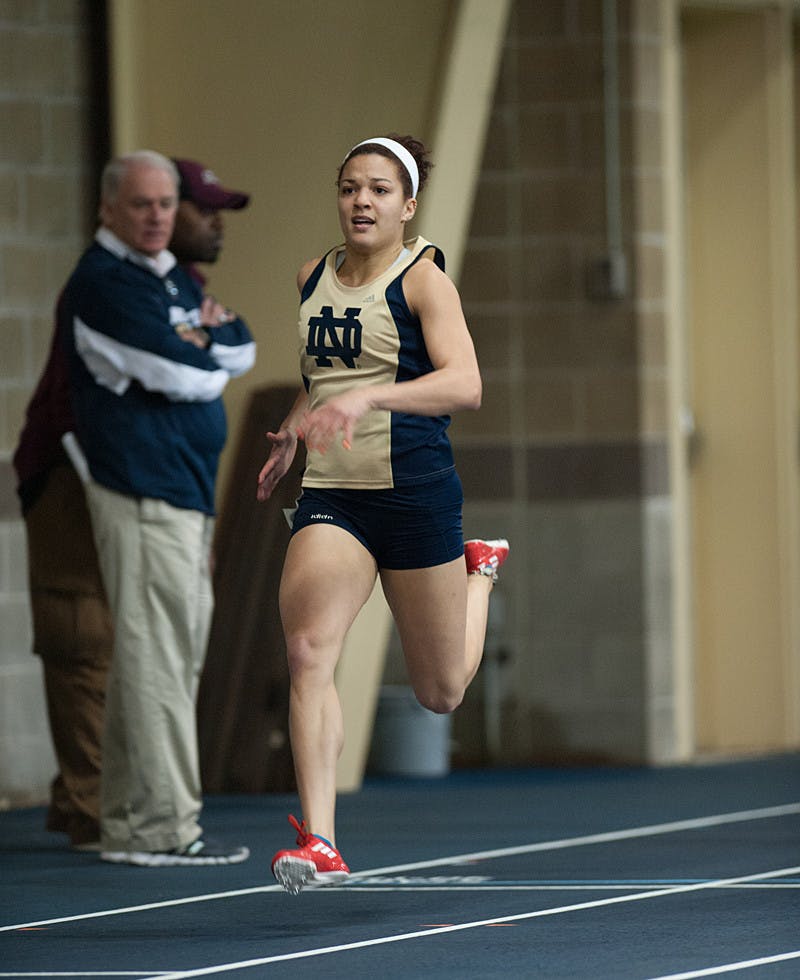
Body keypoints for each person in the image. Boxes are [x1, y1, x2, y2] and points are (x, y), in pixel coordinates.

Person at [256, 134, 509, 894]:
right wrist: (297, 429)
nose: (361, 201)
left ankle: (480, 573)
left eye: (377, 189)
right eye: (348, 188)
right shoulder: (310, 277)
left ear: (407, 205)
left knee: (441, 693)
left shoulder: (424, 281)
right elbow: (325, 376)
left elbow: (465, 384)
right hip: (334, 497)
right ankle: (321, 839)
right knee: (307, 652)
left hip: (415, 493)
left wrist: (375, 397)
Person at [12, 155, 253, 854]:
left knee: (165, 656)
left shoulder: (168, 278)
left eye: (167, 204)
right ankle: (157, 827)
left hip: (179, 491)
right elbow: (188, 373)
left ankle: (122, 816)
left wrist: (201, 340)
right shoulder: (107, 283)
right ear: (108, 209)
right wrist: (197, 344)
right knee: (146, 659)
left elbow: (240, 344)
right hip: (135, 488)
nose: (159, 216)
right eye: (143, 204)